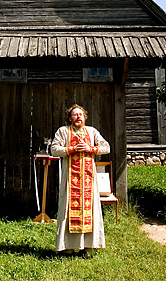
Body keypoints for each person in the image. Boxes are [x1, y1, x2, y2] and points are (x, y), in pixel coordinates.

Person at [50, 104, 110, 257]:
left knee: (91, 211)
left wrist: (91, 148)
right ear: (70, 118)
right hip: (71, 181)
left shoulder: (92, 131)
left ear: (85, 117)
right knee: (68, 211)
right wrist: (72, 149)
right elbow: (54, 149)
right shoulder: (63, 132)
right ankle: (68, 247)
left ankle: (88, 247)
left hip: (89, 181)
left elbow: (106, 147)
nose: (78, 117)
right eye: (75, 115)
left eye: (81, 114)